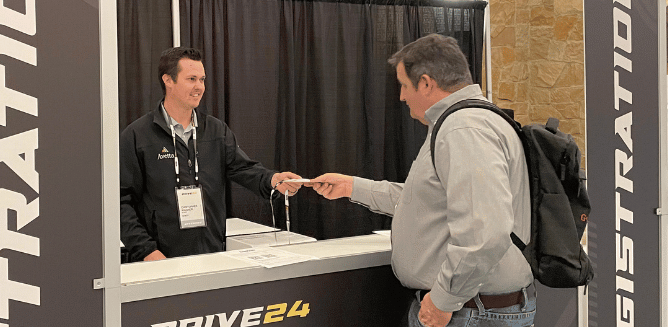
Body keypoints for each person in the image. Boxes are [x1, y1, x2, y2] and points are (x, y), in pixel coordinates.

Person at [311, 34, 535, 327]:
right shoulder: (464, 122)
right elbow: (430, 201)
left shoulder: (462, 129)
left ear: (427, 83)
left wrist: (444, 299)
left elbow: (485, 231)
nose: (402, 96)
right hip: (473, 309)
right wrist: (353, 187)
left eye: (404, 85)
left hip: (470, 313)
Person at [120, 47, 304, 262]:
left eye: (202, 79)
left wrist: (273, 179)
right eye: (191, 79)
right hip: (159, 260)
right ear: (168, 80)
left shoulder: (216, 131)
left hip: (210, 254)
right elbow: (121, 202)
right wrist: (147, 252)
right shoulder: (137, 136)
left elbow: (243, 168)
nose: (199, 87)